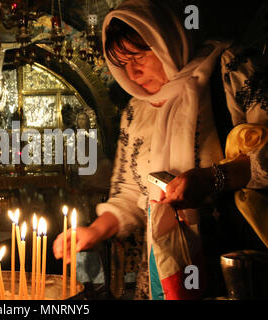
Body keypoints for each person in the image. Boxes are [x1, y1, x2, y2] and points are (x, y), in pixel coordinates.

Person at [53, 0, 267, 300]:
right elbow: (129, 194)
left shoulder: (230, 70)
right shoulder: (135, 112)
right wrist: (93, 232)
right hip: (165, 274)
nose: (133, 72)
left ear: (165, 38)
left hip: (235, 267)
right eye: (123, 63)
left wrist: (212, 178)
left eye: (140, 55)